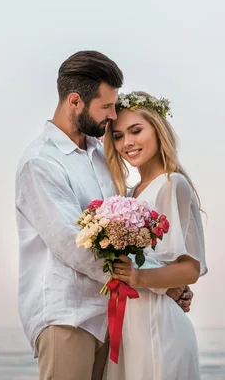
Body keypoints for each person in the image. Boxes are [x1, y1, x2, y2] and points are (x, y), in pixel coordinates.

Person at [14, 52, 194, 380]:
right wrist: (162, 283)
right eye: (106, 106)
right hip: (68, 317)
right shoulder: (41, 163)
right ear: (75, 102)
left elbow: (122, 233)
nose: (113, 116)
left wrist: (165, 278)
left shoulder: (100, 155)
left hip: (114, 317)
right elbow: (74, 245)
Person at [102, 91, 208, 379]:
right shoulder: (128, 192)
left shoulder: (173, 184)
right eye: (119, 136)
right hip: (128, 322)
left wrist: (139, 278)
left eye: (136, 131)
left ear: (157, 129)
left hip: (158, 323)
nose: (128, 143)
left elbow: (190, 267)